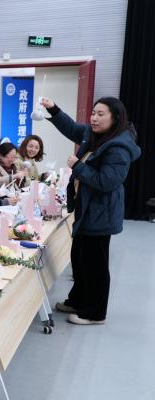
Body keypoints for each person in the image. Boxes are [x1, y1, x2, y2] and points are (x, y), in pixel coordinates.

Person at [41, 96, 140, 325]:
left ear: (116, 118)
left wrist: (77, 166)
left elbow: (106, 182)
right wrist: (54, 109)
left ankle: (95, 313)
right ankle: (78, 301)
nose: (94, 118)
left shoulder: (119, 148)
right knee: (80, 259)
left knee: (95, 264)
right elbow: (72, 128)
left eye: (100, 114)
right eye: (93, 113)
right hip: (87, 210)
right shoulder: (95, 135)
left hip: (100, 213)